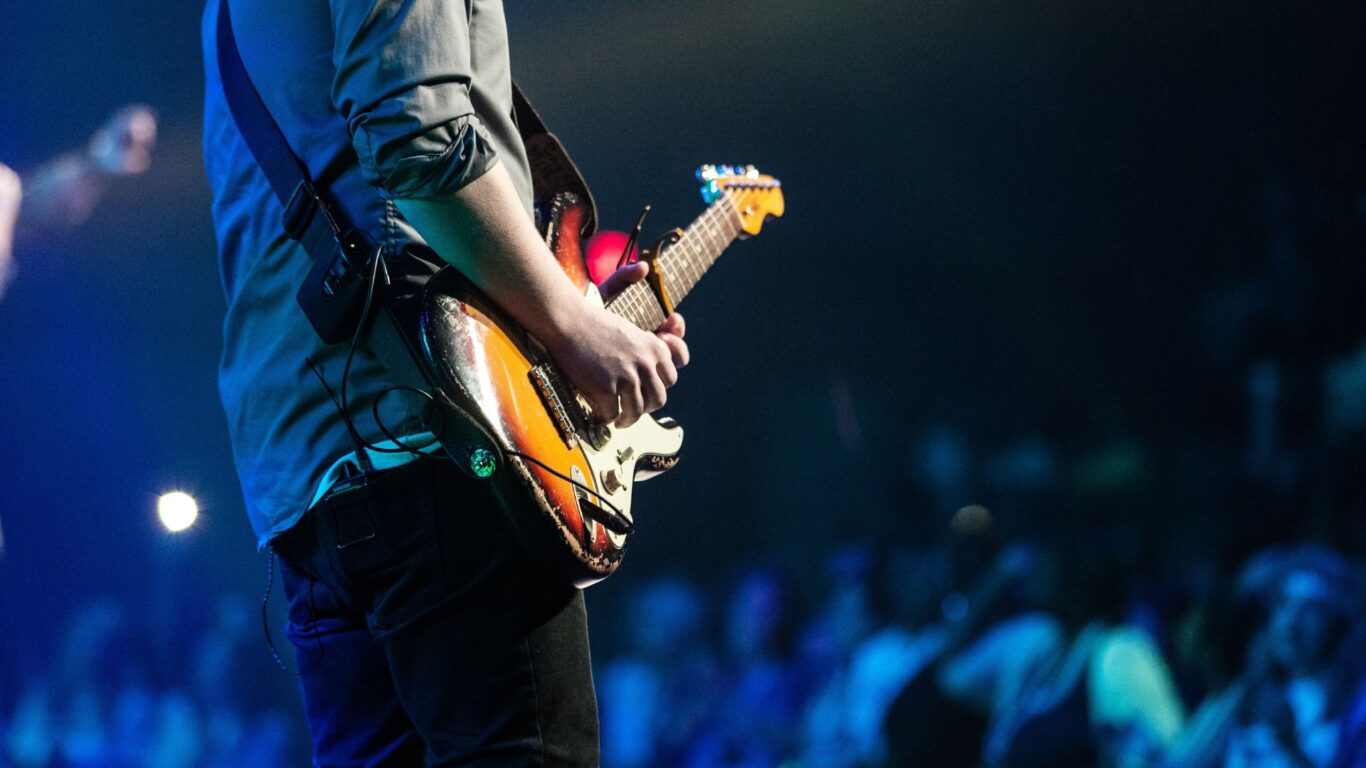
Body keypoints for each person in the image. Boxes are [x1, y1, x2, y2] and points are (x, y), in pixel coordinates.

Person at [200, 0, 688, 764]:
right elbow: (418, 145)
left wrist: (566, 309)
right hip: (439, 441)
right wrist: (574, 325)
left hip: (305, 477)